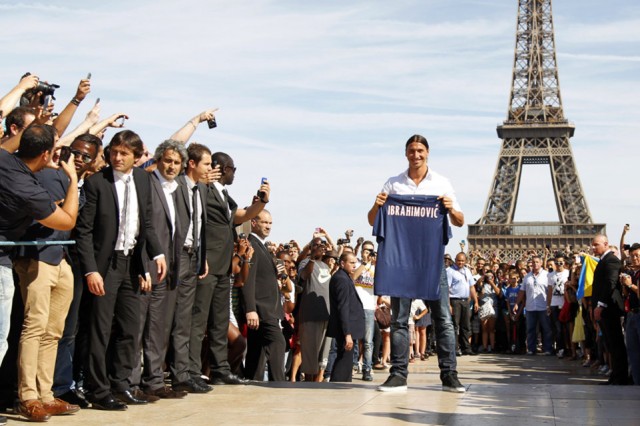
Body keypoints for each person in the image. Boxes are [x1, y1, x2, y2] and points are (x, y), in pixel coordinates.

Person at [367, 134, 465, 393]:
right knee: (399, 321)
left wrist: (450, 208)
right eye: (412, 150)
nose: (416, 154)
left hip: (432, 265)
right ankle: (398, 374)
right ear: (406, 153)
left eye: (420, 150)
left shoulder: (441, 183)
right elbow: (372, 221)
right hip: (401, 265)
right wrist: (377, 205)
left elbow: (459, 220)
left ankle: (449, 375)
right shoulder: (393, 185)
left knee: (443, 320)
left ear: (428, 152)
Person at [76, 130, 166, 410]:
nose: (117, 157)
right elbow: (84, 231)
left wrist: (157, 253)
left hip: (132, 264)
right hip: (105, 265)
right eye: (114, 152)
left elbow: (147, 223)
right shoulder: (96, 183)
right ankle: (98, 390)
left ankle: (121, 384)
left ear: (137, 157)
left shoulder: (142, 179)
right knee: (99, 329)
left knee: (130, 328)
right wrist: (91, 271)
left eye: (124, 153)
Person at [0, 125, 80, 421]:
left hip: (61, 258)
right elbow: (67, 218)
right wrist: (73, 181)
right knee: (34, 328)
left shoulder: (8, 158)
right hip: (35, 258)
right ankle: (28, 397)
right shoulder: (28, 178)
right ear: (46, 151)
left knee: (53, 331)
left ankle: (46, 394)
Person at [189, 152, 269, 386]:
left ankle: (220, 370)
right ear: (222, 168)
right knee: (199, 321)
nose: (235, 173)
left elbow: (241, 216)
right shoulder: (201, 190)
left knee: (219, 320)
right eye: (233, 168)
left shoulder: (224, 195)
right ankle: (192, 371)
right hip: (206, 265)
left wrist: (261, 202)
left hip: (224, 268)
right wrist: (201, 183)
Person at [130, 140, 187, 400]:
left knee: (158, 327)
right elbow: (142, 227)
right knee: (137, 325)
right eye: (168, 160)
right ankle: (130, 384)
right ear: (158, 160)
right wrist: (143, 267)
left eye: (176, 162)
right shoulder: (147, 183)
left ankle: (154, 381)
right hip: (146, 264)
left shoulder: (177, 190)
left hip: (168, 269)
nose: (172, 166)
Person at [169, 143, 211, 394]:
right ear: (192, 164)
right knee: (167, 319)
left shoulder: (201, 191)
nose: (210, 169)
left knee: (185, 320)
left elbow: (200, 227)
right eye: (206, 164)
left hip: (193, 256)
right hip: (175, 257)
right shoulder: (177, 187)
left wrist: (201, 256)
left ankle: (182, 374)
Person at [242, 210, 287, 381]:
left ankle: (253, 381)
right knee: (278, 342)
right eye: (264, 222)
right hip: (262, 309)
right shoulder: (252, 245)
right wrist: (251, 309)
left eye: (270, 223)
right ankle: (279, 383)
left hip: (267, 308)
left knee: (257, 350)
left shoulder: (263, 246)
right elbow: (248, 280)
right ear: (254, 223)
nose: (268, 226)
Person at [591, 234, 628, 385]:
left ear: (606, 244)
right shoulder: (604, 260)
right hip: (606, 308)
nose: (593, 247)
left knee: (615, 343)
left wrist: (600, 305)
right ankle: (616, 376)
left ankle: (620, 377)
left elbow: (610, 284)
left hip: (609, 308)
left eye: (596, 245)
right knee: (610, 344)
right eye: (593, 245)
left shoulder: (611, 260)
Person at [327, 253, 364, 382]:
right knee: (343, 361)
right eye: (351, 263)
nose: (354, 265)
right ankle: (337, 385)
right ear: (342, 263)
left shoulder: (345, 277)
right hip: (345, 328)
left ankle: (344, 385)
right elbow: (343, 307)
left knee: (347, 361)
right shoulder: (341, 279)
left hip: (348, 327)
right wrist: (347, 333)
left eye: (355, 262)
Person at [513, 256, 553, 355]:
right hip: (530, 307)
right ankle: (531, 349)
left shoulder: (547, 275)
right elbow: (522, 291)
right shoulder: (527, 277)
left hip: (543, 306)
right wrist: (516, 304)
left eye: (537, 262)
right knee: (530, 329)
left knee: (546, 328)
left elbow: (550, 291)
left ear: (540, 263)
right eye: (533, 262)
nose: (535, 264)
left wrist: (549, 305)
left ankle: (548, 349)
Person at [351, 240, 376, 381]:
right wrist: (365, 263)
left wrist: (374, 264)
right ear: (362, 252)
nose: (368, 253)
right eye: (366, 251)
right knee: (354, 339)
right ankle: (354, 365)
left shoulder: (376, 267)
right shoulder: (357, 264)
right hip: (356, 305)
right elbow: (353, 277)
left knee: (367, 341)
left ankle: (367, 368)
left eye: (371, 251)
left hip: (369, 307)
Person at [446, 252, 478, 355]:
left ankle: (466, 348)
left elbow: (472, 287)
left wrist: (476, 301)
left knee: (466, 325)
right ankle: (455, 349)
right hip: (455, 301)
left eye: (462, 261)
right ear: (455, 260)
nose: (460, 262)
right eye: (459, 260)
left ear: (466, 261)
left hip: (466, 301)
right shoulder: (450, 271)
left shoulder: (467, 271)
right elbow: (446, 289)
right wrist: (449, 304)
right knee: (455, 325)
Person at [620, 243, 640, 385]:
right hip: (631, 314)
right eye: (632, 256)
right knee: (632, 351)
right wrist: (624, 284)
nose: (634, 258)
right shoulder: (633, 273)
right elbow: (626, 295)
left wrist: (630, 285)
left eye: (637, 255)